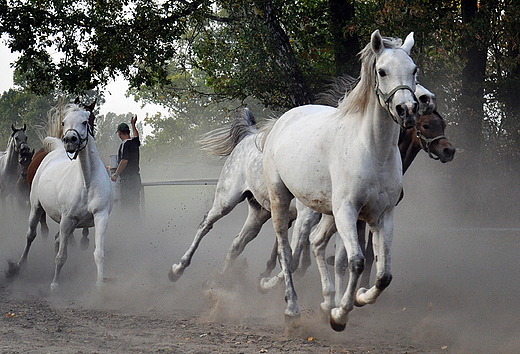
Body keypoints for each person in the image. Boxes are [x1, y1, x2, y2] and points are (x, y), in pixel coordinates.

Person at [111, 115, 141, 218]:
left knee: (127, 205)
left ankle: (129, 227)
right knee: (135, 205)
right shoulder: (134, 142)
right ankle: (138, 227)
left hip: (127, 180)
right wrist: (133, 124)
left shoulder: (125, 144)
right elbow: (136, 136)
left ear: (119, 133)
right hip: (136, 178)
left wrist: (116, 174)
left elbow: (124, 161)